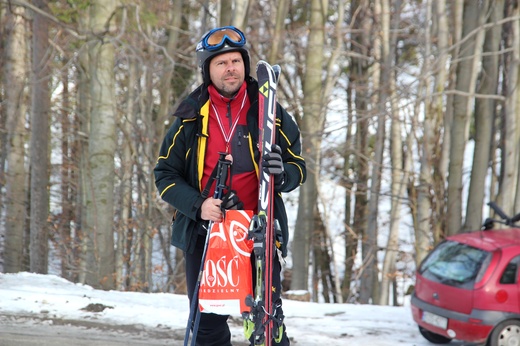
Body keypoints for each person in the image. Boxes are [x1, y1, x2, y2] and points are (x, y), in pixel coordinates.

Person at [154, 26, 306, 346]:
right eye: (221, 63)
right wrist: (199, 205)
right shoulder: (190, 116)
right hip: (207, 233)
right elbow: (164, 174)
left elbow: (298, 167)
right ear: (208, 70)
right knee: (207, 328)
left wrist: (285, 173)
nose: (230, 68)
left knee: (268, 327)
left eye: (236, 60)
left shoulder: (269, 110)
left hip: (258, 232)